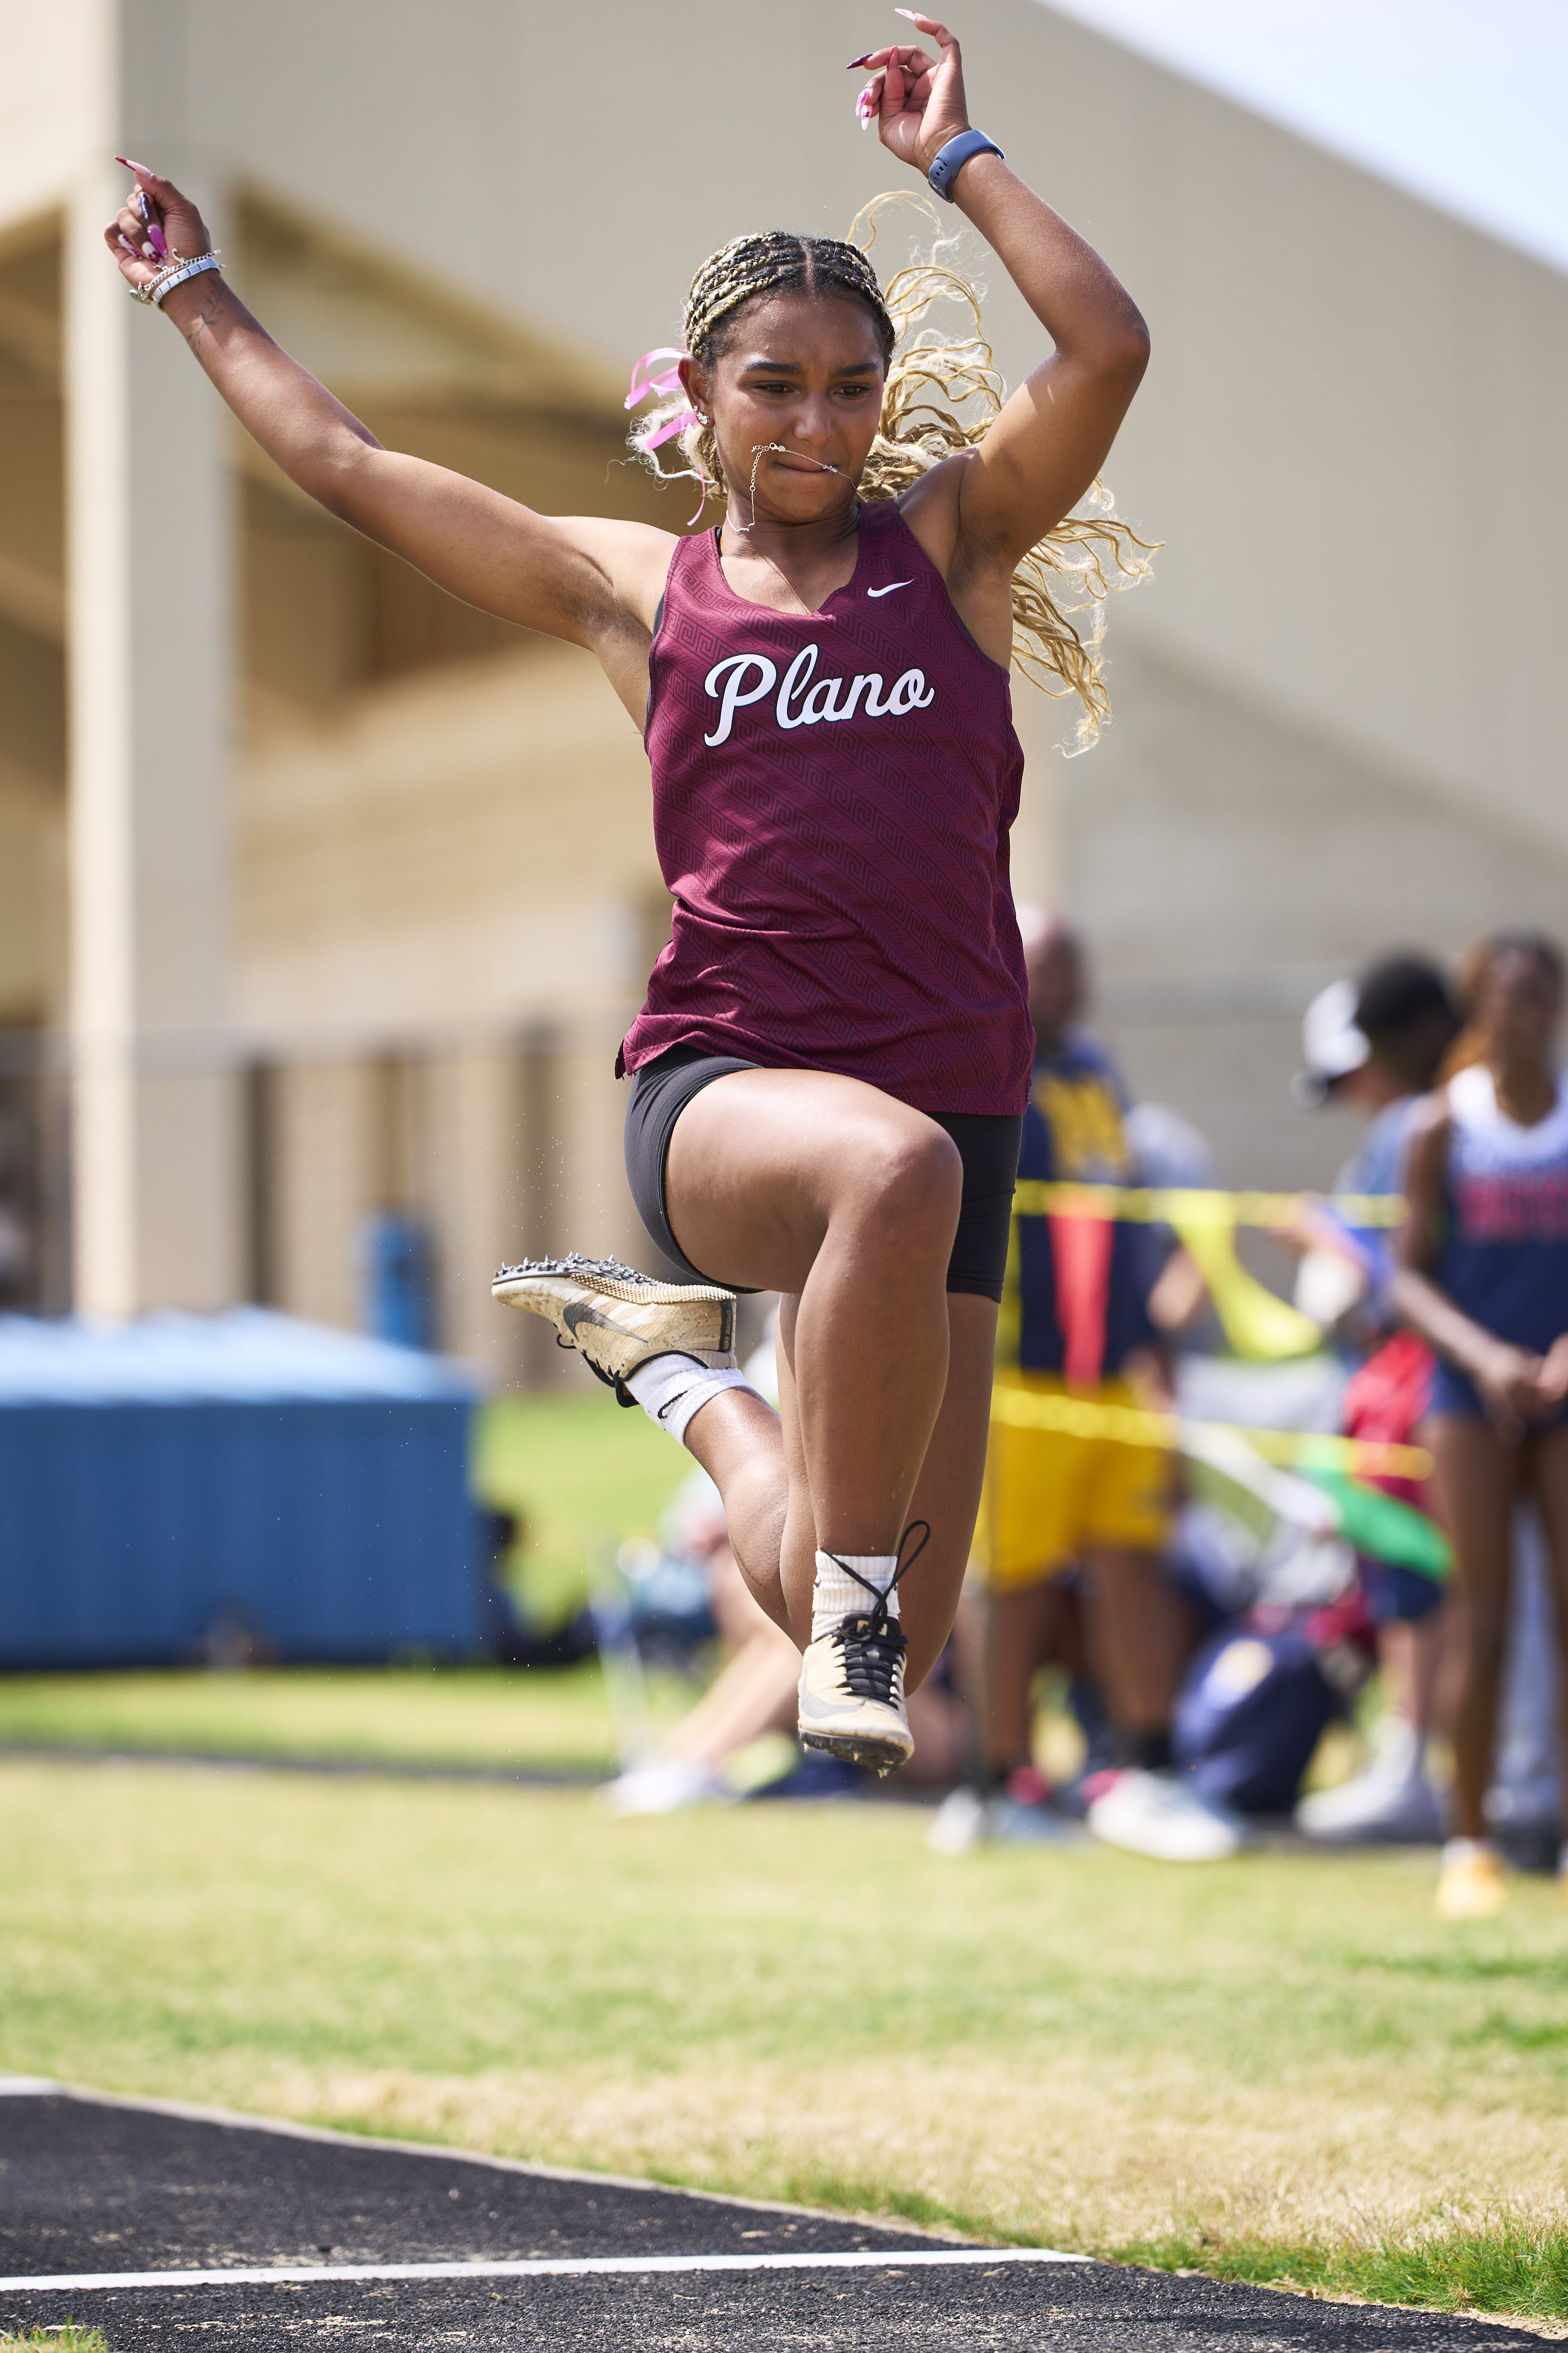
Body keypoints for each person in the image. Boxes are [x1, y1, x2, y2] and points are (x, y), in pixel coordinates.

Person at [101, 19, 1153, 1779]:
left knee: (884, 1611)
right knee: (885, 1204)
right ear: (706, 396)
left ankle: (682, 1379)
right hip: (727, 1093)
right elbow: (353, 467)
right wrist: (196, 287)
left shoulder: (953, 547)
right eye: (776, 384)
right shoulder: (639, 595)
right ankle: (814, 1545)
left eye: (850, 388)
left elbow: (1107, 345)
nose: (816, 422)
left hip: (955, 1100)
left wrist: (956, 160)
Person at [967, 911, 1240, 1862]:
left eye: (1071, 963)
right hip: (1021, 1378)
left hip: (1114, 1377)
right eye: (1046, 961)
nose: (1064, 978)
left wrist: (1154, 1347)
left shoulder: (1095, 1069)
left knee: (1134, 1563)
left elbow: (1126, 1225)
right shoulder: (979, 1062)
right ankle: (996, 1780)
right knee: (1013, 1582)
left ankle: (1149, 1767)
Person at [1393, 933, 1568, 1917]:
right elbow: (1406, 1276)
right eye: (1505, 996)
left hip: (1562, 1390)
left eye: (1539, 995)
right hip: (1471, 1398)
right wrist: (1486, 1356)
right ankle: (1469, 1840)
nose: (1523, 1013)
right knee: (1483, 1616)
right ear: (1478, 1008)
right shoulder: (1440, 1125)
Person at [1288, 954, 1461, 1844]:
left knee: (1417, 1574)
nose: (1359, 1092)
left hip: (1425, 1388)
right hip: (1434, 1383)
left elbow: (1404, 1273)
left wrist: (1325, 1238)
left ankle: (1415, 1761)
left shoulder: (1420, 1124)